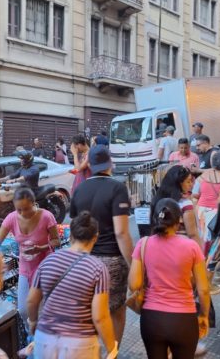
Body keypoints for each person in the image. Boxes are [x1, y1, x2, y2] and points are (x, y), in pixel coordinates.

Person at [27, 211, 118, 359]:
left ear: (71, 236)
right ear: (95, 238)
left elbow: (31, 300)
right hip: (80, 346)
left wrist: (33, 322)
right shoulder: (98, 268)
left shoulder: (48, 261)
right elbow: (100, 316)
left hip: (45, 341)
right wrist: (111, 348)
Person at [129, 198, 210, 359]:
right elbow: (204, 289)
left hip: (152, 320)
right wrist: (204, 315)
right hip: (184, 320)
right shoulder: (191, 246)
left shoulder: (143, 244)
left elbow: (134, 284)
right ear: (179, 220)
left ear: (155, 218)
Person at [69, 145, 133, 344]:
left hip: (85, 260)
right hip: (112, 261)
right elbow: (121, 233)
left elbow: (74, 231)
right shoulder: (117, 188)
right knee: (116, 310)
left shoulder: (79, 189)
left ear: (91, 164)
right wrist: (134, 264)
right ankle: (112, 354)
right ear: (110, 164)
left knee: (89, 311)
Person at [0, 188, 60, 328]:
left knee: (42, 308)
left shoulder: (46, 216)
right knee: (24, 310)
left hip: (45, 265)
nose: (23, 213)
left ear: (34, 203)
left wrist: (41, 248)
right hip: (25, 267)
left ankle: (43, 337)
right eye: (19, 209)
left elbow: (56, 241)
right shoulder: (11, 218)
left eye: (26, 209)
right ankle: (30, 335)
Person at [193, 150, 220, 295]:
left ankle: (201, 279)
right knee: (216, 249)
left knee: (204, 245)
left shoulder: (202, 177)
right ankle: (207, 284)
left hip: (202, 213)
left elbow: (195, 196)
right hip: (219, 215)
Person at [151, 165, 203, 248]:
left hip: (159, 247)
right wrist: (201, 253)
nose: (191, 185)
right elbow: (192, 234)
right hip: (182, 248)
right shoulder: (185, 204)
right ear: (180, 183)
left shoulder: (157, 201)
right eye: (188, 181)